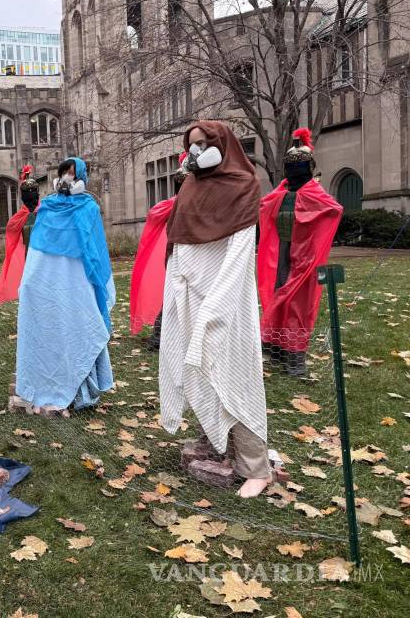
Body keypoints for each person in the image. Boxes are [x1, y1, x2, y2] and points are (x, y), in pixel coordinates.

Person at [159, 121, 272, 498]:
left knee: (235, 375)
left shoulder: (243, 185)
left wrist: (216, 305)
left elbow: (240, 254)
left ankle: (255, 467)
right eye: (191, 144)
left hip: (225, 302)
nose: (196, 151)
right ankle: (217, 441)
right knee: (199, 372)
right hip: (189, 295)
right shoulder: (191, 185)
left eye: (204, 143)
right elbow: (178, 242)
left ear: (223, 144)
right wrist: (175, 292)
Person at [14, 158, 115, 416]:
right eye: (64, 174)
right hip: (50, 285)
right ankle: (43, 385)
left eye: (73, 174)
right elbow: (38, 249)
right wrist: (31, 283)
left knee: (78, 328)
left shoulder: (89, 208)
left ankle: (81, 391)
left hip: (78, 283)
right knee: (50, 331)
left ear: (82, 178)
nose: (68, 179)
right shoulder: (47, 207)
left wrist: (96, 284)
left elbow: (95, 251)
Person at [258, 128, 343, 376]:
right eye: (291, 166)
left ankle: (295, 356)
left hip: (303, 256)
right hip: (280, 253)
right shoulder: (280, 192)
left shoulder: (315, 193)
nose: (294, 170)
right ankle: (275, 346)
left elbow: (333, 209)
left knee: (298, 303)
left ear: (308, 167)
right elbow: (265, 207)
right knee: (276, 292)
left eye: (300, 165)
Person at [129, 152, 189, 349]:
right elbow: (156, 214)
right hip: (177, 251)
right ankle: (160, 335)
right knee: (172, 291)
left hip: (194, 251)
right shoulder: (172, 206)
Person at [0, 165, 42, 304]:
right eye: (27, 194)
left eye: (32, 193)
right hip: (28, 257)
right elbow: (12, 232)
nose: (30, 197)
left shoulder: (45, 213)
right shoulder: (18, 219)